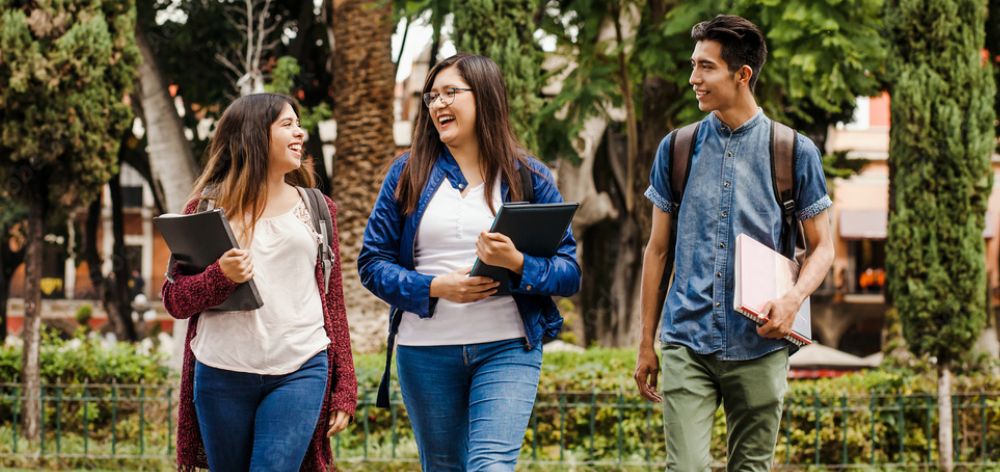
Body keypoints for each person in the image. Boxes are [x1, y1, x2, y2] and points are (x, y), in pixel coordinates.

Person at [358, 53, 580, 471]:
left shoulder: (528, 176)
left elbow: (569, 273)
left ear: (486, 98)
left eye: (450, 93)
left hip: (507, 346)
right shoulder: (407, 173)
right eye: (432, 96)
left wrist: (518, 263)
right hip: (424, 351)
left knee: (490, 464)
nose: (438, 104)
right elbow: (372, 263)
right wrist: (435, 288)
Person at [632, 15, 835, 471]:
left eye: (706, 67)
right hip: (687, 338)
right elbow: (657, 250)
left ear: (742, 75)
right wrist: (646, 341)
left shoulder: (793, 151)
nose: (693, 79)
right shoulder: (677, 148)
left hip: (761, 342)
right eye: (693, 65)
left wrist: (793, 299)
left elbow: (824, 247)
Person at [161, 93, 357, 472]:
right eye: (287, 124)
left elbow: (333, 300)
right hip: (221, 372)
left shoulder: (316, 208)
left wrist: (344, 386)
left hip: (302, 366)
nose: (300, 133)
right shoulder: (205, 209)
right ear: (253, 135)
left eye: (299, 124)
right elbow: (175, 299)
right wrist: (220, 277)